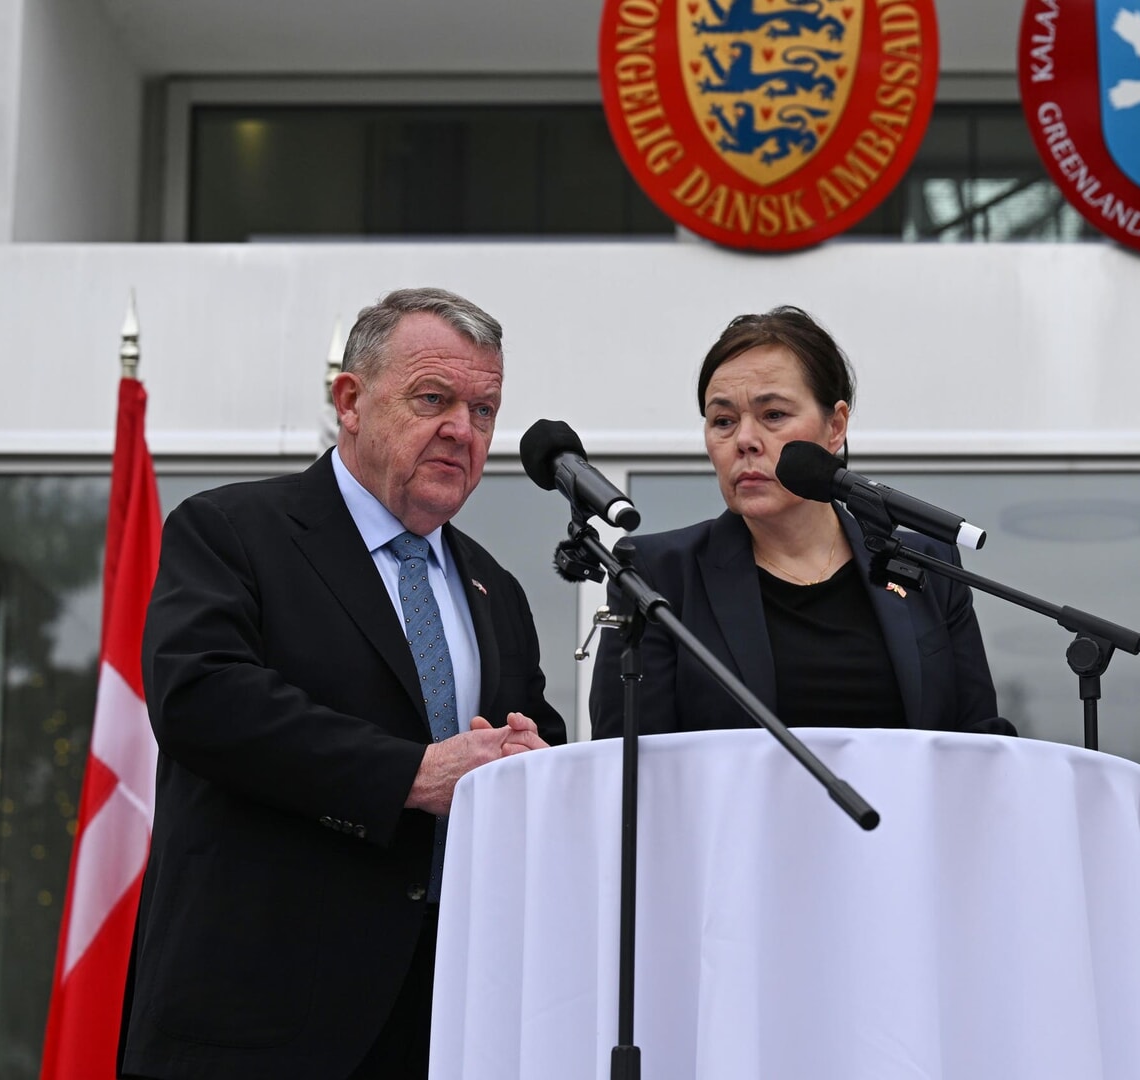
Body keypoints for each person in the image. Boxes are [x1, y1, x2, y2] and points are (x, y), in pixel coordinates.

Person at [120, 288, 568, 1080]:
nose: (462, 431)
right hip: (260, 1019)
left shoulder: (494, 586)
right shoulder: (233, 531)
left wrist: (533, 757)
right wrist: (410, 774)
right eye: (434, 399)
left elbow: (517, 729)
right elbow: (203, 699)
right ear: (351, 401)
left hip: (447, 1017)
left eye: (484, 410)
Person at [588, 305, 1005, 737]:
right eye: (723, 421)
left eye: (773, 415)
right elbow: (626, 764)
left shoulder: (927, 566)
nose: (745, 441)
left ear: (835, 426)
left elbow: (977, 746)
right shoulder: (659, 574)